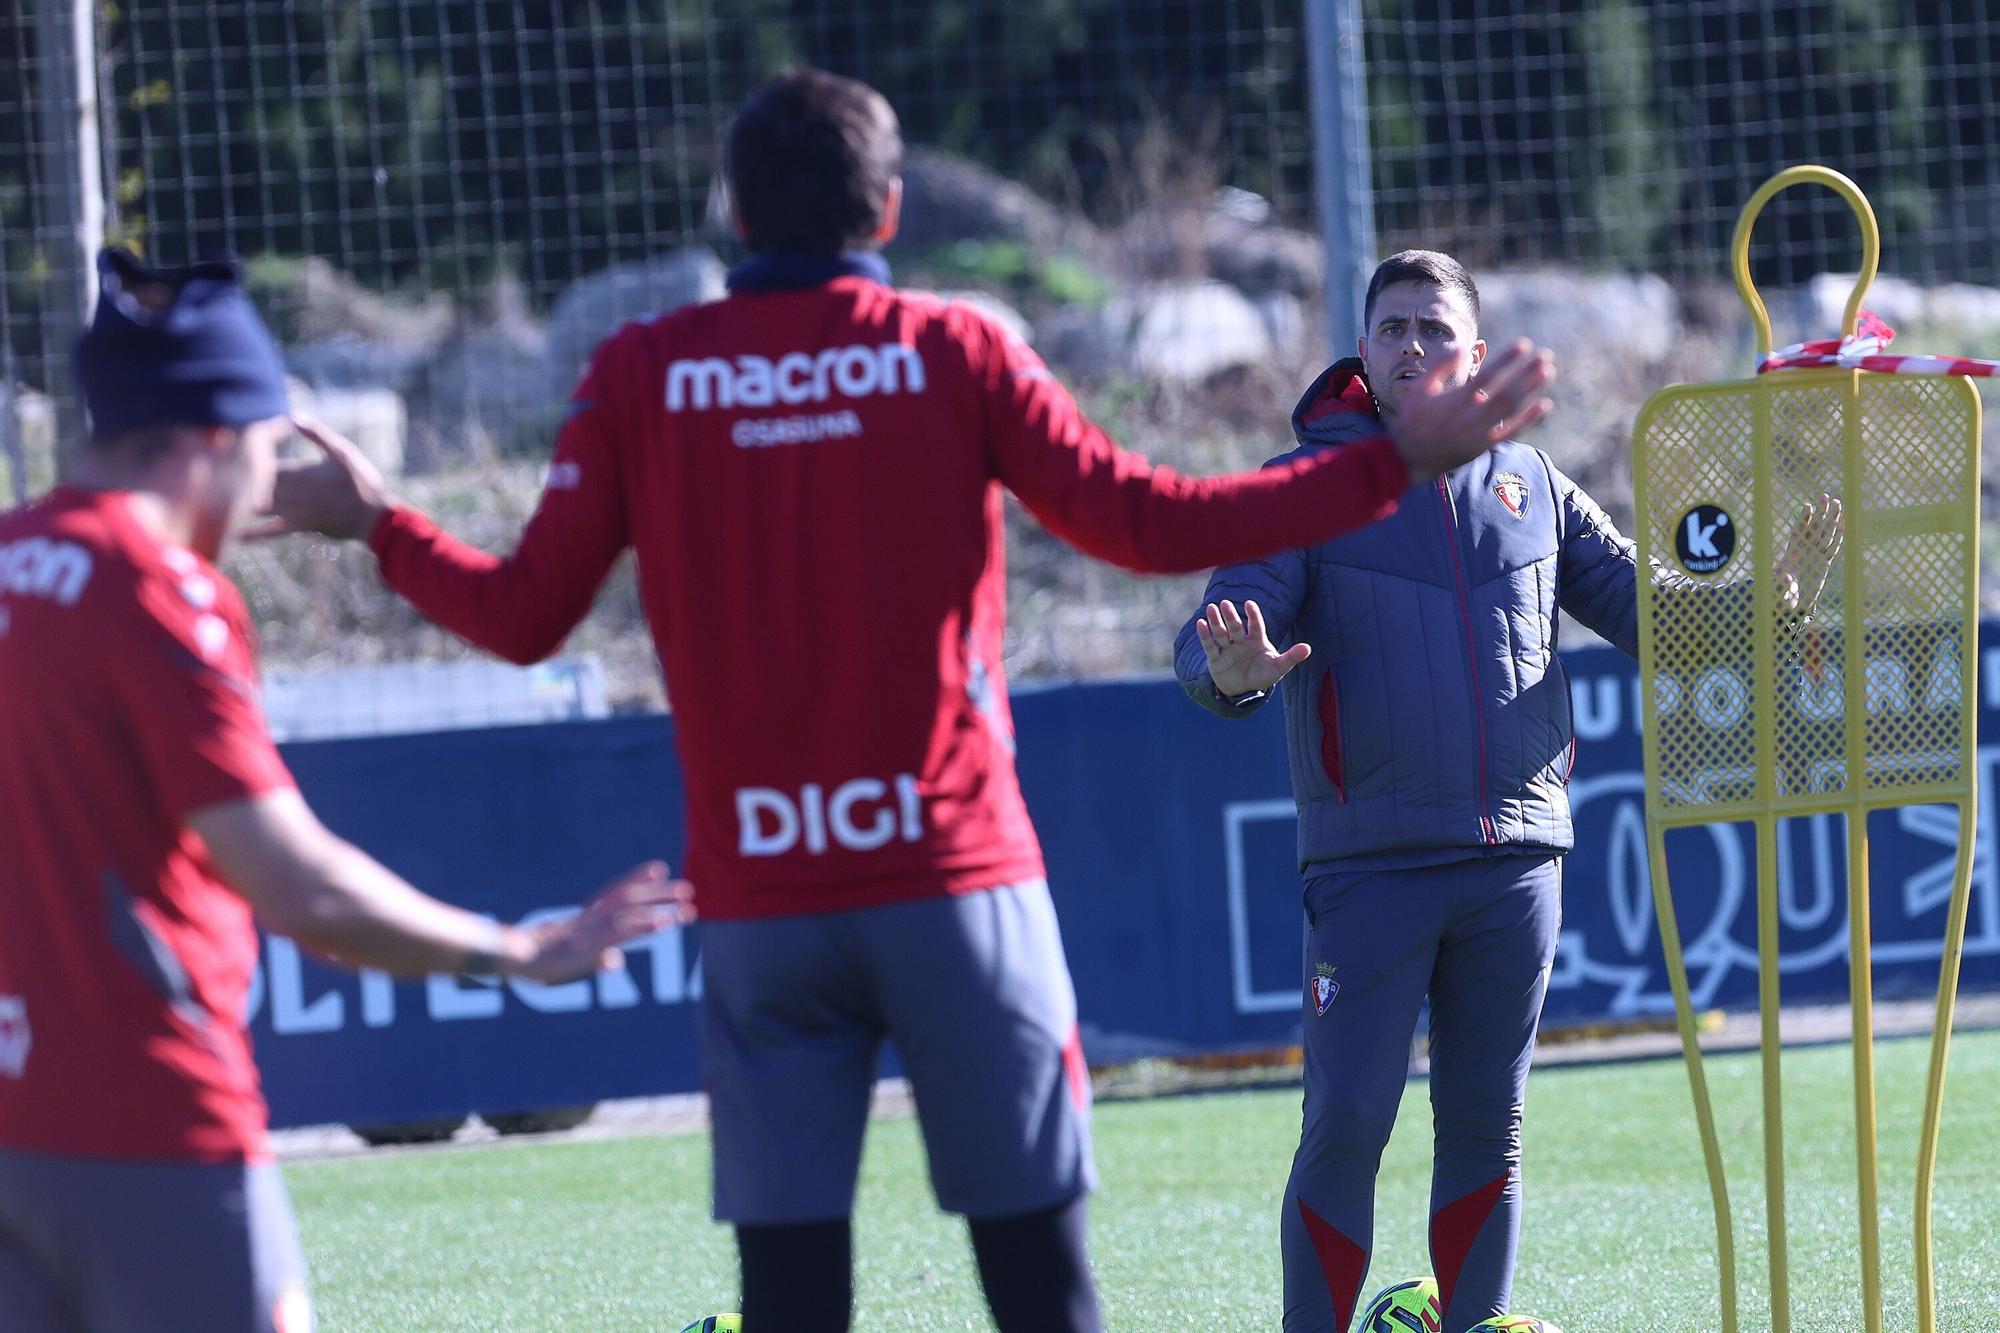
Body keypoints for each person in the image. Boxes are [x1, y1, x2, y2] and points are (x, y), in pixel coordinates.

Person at [263, 72, 1555, 1333]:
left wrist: (377, 522)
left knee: (793, 1297)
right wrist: (1387, 467)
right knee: (1042, 1286)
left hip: (766, 902)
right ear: (888, 215)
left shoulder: (642, 371)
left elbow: (522, 613)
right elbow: (1148, 520)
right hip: (955, 887)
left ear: (733, 211)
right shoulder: (953, 345)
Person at [0, 250, 689, 1333]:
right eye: (269, 449)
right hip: (151, 1126)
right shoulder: (159, 589)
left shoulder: (13, 558)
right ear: (221, 436)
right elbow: (297, 888)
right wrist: (518, 951)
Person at [1173, 249, 1843, 1333]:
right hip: (1368, 866)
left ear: (1474, 354)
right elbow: (1209, 641)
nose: (1412, 346)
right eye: (1390, 328)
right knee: (1346, 1124)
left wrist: (1764, 604)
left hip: (1515, 863)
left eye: (1433, 329)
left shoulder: (1531, 486)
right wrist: (1224, 674)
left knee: (1486, 1122)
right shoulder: (1298, 490)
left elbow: (1647, 612)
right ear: (1363, 353)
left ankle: (1473, 1323)